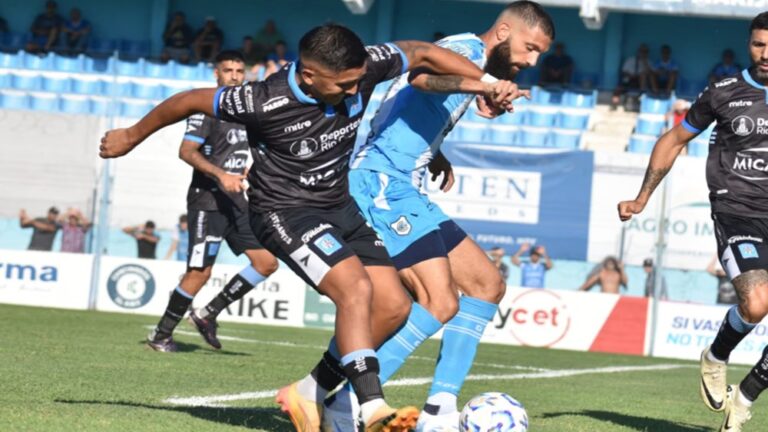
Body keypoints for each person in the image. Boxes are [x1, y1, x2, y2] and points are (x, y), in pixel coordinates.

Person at [99, 23, 519, 432]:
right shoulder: (261, 99)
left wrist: (486, 81)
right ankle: (371, 407)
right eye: (344, 85)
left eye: (359, 82)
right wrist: (132, 135)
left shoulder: (364, 67)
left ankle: (308, 390)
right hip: (284, 213)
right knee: (355, 288)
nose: (356, 92)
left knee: (394, 306)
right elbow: (189, 100)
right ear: (310, 75)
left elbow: (422, 52)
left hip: (338, 205)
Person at [325, 3, 553, 429]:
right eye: (530, 48)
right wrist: (480, 86)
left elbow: (399, 104)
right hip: (380, 182)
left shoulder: (477, 65)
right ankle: (344, 406)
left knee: (487, 285)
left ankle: (439, 410)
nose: (531, 61)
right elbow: (420, 78)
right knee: (439, 300)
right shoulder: (465, 49)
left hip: (404, 184)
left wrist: (436, 151)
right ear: (503, 32)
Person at [617, 13, 768, 431]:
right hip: (738, 211)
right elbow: (673, 139)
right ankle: (717, 356)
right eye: (758, 44)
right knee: (757, 303)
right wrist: (643, 196)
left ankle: (746, 397)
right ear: (748, 43)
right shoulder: (724, 91)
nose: (766, 54)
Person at [147, 51, 279, 353]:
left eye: (239, 70)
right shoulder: (207, 108)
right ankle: (160, 336)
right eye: (228, 70)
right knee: (200, 272)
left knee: (266, 263)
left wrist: (252, 168)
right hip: (207, 200)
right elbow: (187, 151)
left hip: (237, 201)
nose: (234, 75)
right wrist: (221, 175)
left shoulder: (248, 111)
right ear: (216, 74)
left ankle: (207, 313)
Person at [611, 44, 652, 109]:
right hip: (629, 80)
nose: (643, 53)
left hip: (640, 83)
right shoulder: (630, 60)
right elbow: (623, 71)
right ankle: (614, 104)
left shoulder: (648, 62)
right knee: (617, 89)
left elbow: (650, 73)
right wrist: (630, 75)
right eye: (642, 51)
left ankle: (640, 98)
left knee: (643, 75)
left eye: (645, 52)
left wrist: (645, 62)